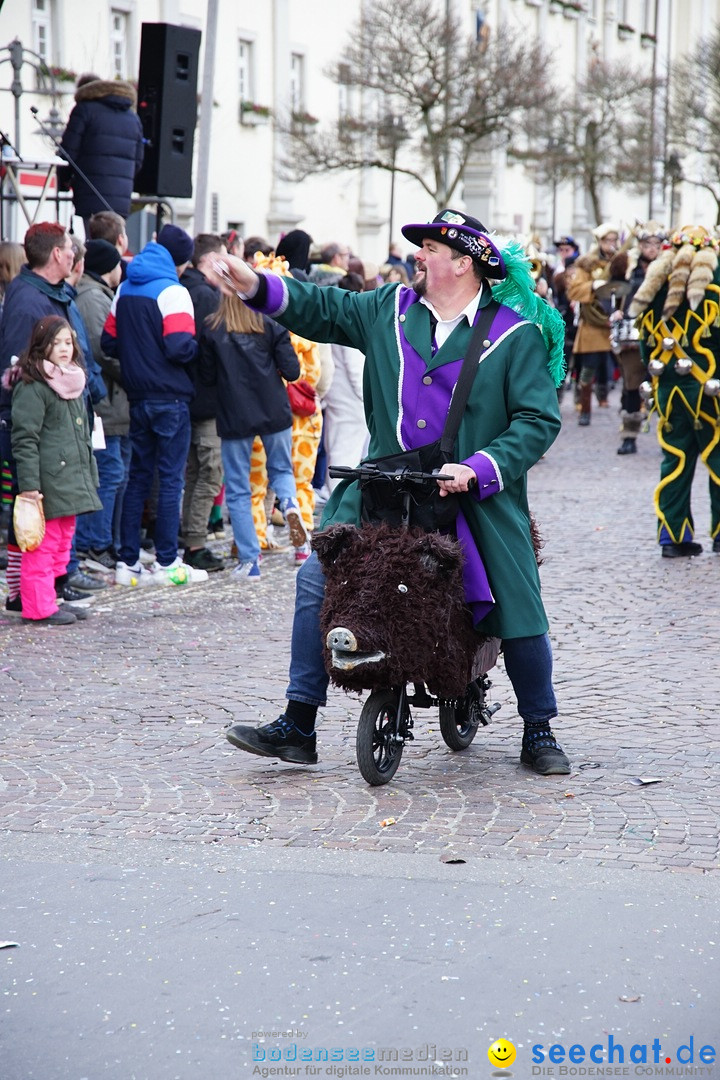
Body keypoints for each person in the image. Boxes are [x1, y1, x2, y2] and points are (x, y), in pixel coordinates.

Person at [211, 207, 570, 776]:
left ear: (464, 262)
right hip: (383, 485)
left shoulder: (513, 334)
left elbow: (536, 420)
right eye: (421, 246)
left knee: (513, 590)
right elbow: (320, 308)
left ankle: (539, 727)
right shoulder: (388, 309)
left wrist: (480, 467)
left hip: (471, 495)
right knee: (315, 577)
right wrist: (256, 285)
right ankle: (299, 722)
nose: (418, 256)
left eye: (430, 248)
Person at [0, 222, 106, 612]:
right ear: (58, 254)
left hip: (63, 455)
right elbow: (19, 374)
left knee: (57, 533)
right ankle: (29, 598)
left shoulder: (54, 293)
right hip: (41, 457)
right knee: (33, 530)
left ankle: (51, 592)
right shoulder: (29, 300)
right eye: (68, 248)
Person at [101, 223, 209, 587]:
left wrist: (139, 351)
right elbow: (180, 346)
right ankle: (166, 562)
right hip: (170, 397)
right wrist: (198, 348)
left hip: (137, 398)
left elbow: (109, 342)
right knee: (171, 481)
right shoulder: (173, 291)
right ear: (179, 261)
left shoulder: (125, 288)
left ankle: (127, 562)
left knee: (138, 479)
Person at [198, 291, 307, 579]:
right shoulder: (272, 322)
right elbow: (293, 371)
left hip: (234, 414)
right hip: (274, 409)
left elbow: (206, 377)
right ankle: (292, 507)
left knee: (237, 488)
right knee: (282, 471)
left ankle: (249, 561)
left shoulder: (212, 326)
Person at [629, 224, 720, 558]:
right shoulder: (714, 291)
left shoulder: (652, 295)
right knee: (718, 458)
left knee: (675, 462)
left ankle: (672, 536)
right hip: (710, 390)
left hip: (667, 391)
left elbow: (644, 350)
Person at [10, 316, 101, 625]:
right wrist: (30, 486)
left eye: (68, 342)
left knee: (63, 542)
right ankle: (38, 607)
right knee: (41, 546)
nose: (64, 348)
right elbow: (25, 439)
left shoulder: (72, 379)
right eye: (56, 342)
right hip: (47, 481)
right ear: (41, 345)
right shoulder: (33, 385)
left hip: (70, 478)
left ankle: (53, 598)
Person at [72, 238, 126, 567]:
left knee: (112, 471)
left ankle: (102, 541)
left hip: (110, 398)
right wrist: (134, 372)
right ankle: (95, 543)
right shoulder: (93, 298)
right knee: (108, 471)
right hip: (104, 399)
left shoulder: (99, 295)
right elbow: (103, 350)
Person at [179, 233, 226, 573]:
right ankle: (195, 543)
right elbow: (212, 352)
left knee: (195, 472)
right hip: (206, 399)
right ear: (210, 261)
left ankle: (191, 538)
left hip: (189, 395)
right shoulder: (206, 296)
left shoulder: (185, 288)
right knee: (208, 473)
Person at [608, 222, 667, 456]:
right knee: (632, 385)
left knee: (663, 384)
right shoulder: (628, 267)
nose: (651, 249)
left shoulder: (669, 268)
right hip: (634, 333)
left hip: (663, 334)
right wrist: (615, 311)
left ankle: (667, 435)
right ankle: (629, 436)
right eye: (647, 244)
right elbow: (608, 289)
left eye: (656, 244)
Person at [58, 73, 144, 233]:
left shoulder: (84, 110)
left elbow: (67, 153)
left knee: (94, 249)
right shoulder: (133, 117)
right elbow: (138, 161)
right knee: (113, 249)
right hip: (121, 199)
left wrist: (63, 182)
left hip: (90, 192)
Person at [566, 223, 620, 425]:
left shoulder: (620, 261)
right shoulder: (587, 264)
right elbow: (574, 291)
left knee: (627, 367)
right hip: (593, 322)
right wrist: (593, 285)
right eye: (607, 240)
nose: (611, 244)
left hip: (616, 320)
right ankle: (585, 408)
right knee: (588, 367)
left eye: (614, 240)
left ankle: (630, 410)